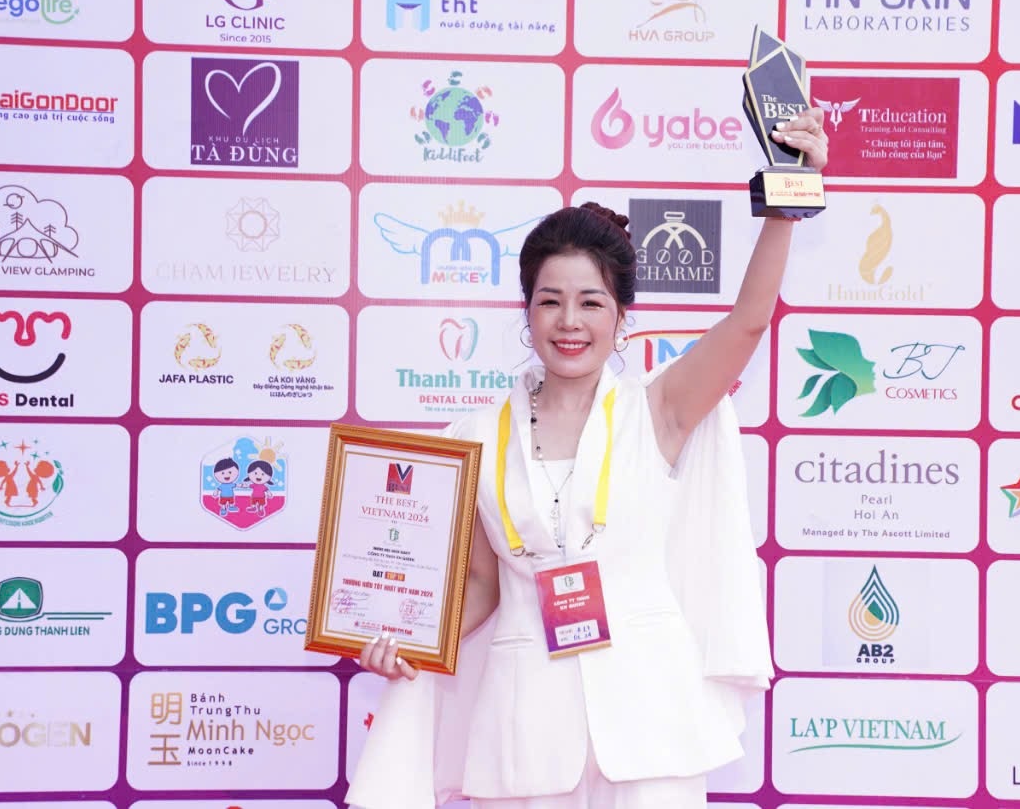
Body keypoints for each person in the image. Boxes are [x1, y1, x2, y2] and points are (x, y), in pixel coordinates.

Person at [349, 112, 829, 808]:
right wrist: (411, 643)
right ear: (526, 311)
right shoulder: (475, 435)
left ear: (621, 317)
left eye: (590, 303)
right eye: (551, 301)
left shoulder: (658, 410)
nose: (569, 321)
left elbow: (748, 322)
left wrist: (788, 199)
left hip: (650, 729)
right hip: (523, 735)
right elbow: (481, 585)